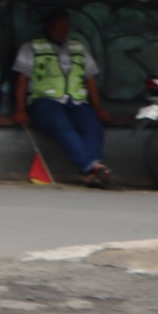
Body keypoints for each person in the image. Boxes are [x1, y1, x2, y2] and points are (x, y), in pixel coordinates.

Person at [13, 9, 112, 187]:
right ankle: (92, 167)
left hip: (76, 102)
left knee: (93, 125)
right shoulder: (32, 47)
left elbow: (90, 81)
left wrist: (98, 109)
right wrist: (20, 110)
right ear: (49, 26)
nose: (64, 29)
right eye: (60, 24)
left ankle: (92, 172)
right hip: (45, 101)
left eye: (67, 24)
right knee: (61, 124)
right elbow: (22, 81)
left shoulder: (78, 48)